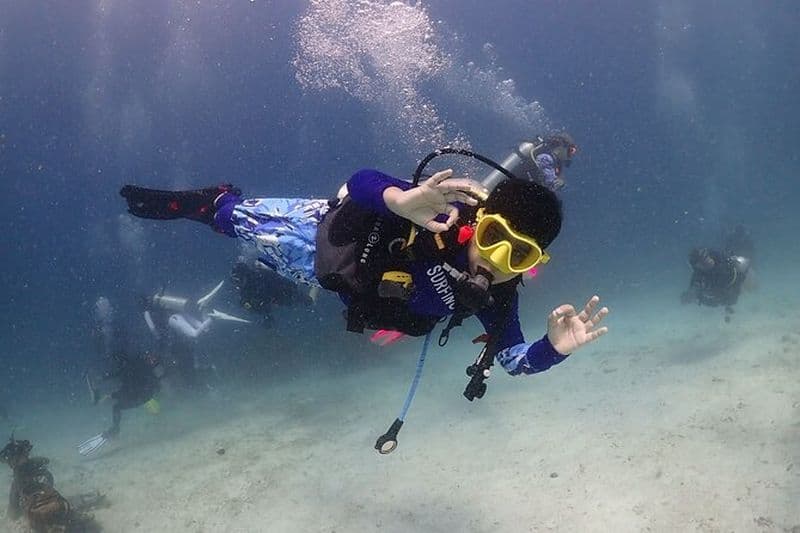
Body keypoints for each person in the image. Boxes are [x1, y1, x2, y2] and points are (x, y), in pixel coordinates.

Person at [120, 167, 608, 383]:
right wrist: (400, 199)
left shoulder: (500, 298)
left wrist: (555, 349)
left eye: (519, 255)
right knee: (228, 219)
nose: (499, 261)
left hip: (328, 280)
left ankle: (226, 218)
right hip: (322, 229)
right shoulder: (442, 212)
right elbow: (362, 181)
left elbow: (514, 361)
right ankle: (214, 200)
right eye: (495, 236)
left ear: (532, 263)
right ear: (478, 221)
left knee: (263, 262)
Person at [77, 350, 161, 456]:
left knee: (117, 406)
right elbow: (121, 376)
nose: (150, 359)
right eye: (149, 357)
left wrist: (111, 395)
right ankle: (115, 429)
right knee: (116, 406)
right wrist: (104, 379)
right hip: (142, 395)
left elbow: (132, 388)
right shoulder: (135, 366)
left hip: (142, 395)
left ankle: (115, 430)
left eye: (152, 359)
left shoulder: (140, 370)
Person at [231, 258, 314, 327]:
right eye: (235, 281)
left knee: (309, 301)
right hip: (279, 295)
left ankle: (313, 284)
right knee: (300, 300)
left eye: (238, 280)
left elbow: (266, 298)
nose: (237, 284)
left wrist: (267, 316)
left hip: (284, 292)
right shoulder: (247, 286)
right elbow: (253, 301)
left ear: (245, 275)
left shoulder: (260, 277)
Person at [681, 246, 751, 321]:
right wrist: (692, 296)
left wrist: (734, 263)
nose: (707, 260)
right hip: (725, 293)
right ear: (698, 267)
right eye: (702, 262)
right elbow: (696, 290)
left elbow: (744, 264)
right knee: (730, 299)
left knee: (748, 280)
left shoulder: (721, 258)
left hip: (737, 280)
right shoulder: (699, 277)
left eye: (706, 257)